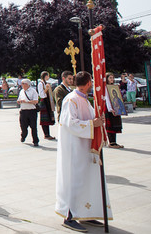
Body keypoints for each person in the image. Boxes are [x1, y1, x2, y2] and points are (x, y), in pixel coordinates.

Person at [55, 71, 112, 232]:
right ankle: (69, 215)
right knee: (74, 180)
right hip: (74, 148)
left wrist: (97, 122)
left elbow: (91, 118)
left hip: (85, 146)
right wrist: (91, 124)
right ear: (87, 83)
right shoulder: (71, 99)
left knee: (86, 179)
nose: (92, 84)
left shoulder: (84, 99)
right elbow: (68, 123)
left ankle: (86, 213)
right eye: (91, 82)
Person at [103, 72, 124, 149]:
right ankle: (111, 142)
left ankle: (114, 142)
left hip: (116, 107)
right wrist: (110, 109)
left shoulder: (114, 87)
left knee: (115, 124)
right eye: (110, 78)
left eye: (112, 78)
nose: (112, 79)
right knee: (110, 125)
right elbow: (107, 99)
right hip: (109, 108)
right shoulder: (106, 87)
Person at [17, 79, 40, 146]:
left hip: (31, 111)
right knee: (23, 126)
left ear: (27, 84)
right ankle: (23, 136)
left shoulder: (33, 91)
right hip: (23, 111)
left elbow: (36, 101)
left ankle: (35, 141)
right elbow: (18, 100)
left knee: (33, 127)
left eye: (23, 83)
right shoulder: (21, 91)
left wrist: (26, 101)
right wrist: (20, 101)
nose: (22, 85)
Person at [38, 71, 56, 140]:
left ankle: (48, 134)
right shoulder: (41, 84)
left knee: (48, 118)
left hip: (47, 101)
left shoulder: (45, 83)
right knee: (44, 119)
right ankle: (46, 134)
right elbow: (41, 95)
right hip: (44, 101)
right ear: (45, 76)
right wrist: (46, 89)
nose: (48, 77)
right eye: (48, 76)